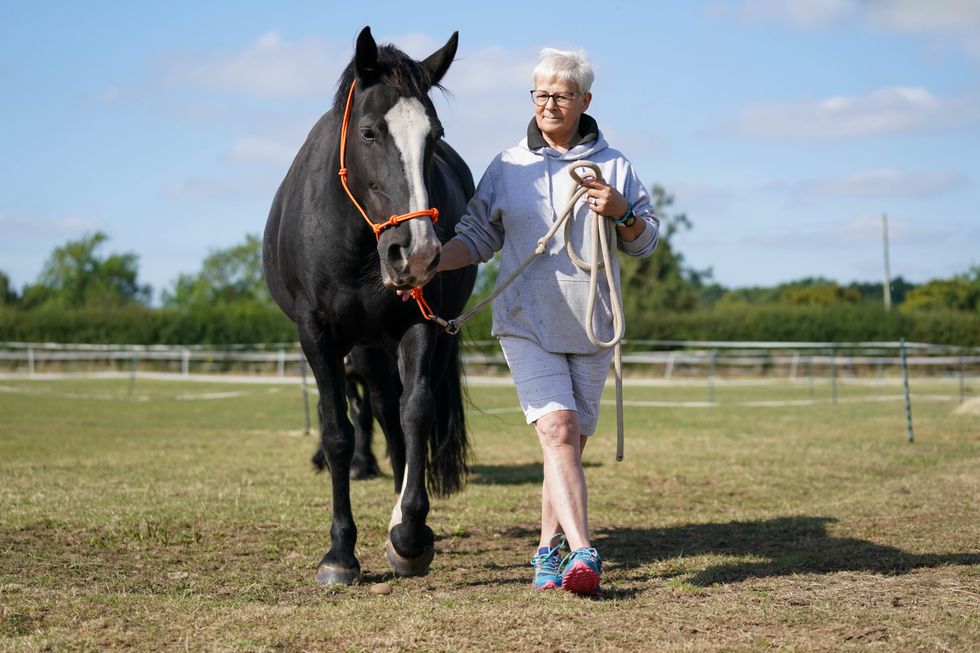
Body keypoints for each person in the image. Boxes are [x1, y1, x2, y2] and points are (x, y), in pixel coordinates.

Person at [413, 48, 660, 595]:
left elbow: (644, 243)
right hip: (526, 321)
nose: (549, 104)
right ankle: (585, 552)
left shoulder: (615, 165)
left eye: (562, 96)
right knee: (558, 430)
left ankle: (547, 552)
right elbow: (477, 237)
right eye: (541, 94)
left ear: (585, 101)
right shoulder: (508, 166)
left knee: (566, 446)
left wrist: (621, 211)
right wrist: (432, 262)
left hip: (592, 322)